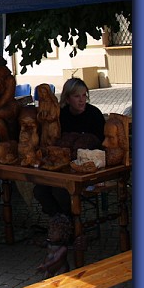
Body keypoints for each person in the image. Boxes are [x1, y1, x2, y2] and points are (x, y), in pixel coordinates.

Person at [33, 78, 106, 217]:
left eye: (84, 95)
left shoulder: (94, 114)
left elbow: (101, 145)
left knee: (60, 191)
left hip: (86, 168)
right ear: (67, 98)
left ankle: (68, 221)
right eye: (77, 96)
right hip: (62, 167)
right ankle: (60, 220)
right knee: (39, 190)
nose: (82, 100)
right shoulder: (62, 115)